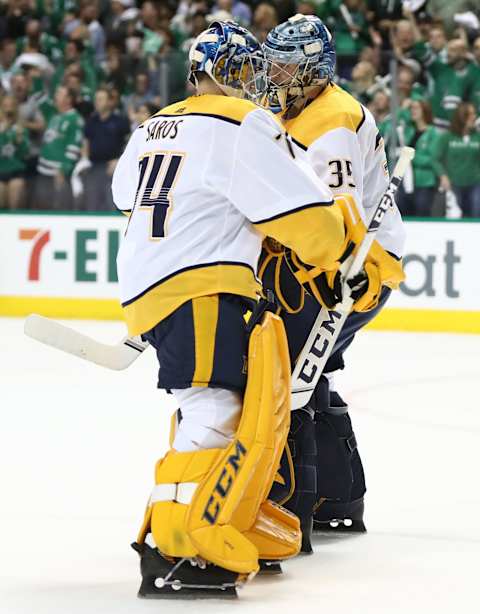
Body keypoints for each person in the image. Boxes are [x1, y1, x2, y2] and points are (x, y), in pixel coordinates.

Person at [112, 20, 370, 598]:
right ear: (230, 71)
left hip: (150, 284)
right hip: (201, 283)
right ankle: (185, 548)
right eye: (249, 69)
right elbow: (300, 212)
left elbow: (123, 195)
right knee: (215, 414)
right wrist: (339, 244)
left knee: (212, 407)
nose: (258, 82)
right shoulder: (239, 122)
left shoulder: (153, 124)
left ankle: (196, 526)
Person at [261, 13, 406, 549]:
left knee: (291, 377)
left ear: (311, 71)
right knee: (306, 371)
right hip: (335, 265)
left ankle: (290, 510)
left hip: (355, 271)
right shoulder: (298, 109)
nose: (271, 73)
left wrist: (331, 277)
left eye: (282, 65)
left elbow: (337, 219)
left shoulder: (334, 121)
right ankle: (338, 498)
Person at [34, 86, 84, 210]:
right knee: (41, 209)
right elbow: (38, 97)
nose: (55, 96)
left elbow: (74, 148)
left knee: (58, 210)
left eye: (59, 94)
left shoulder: (75, 119)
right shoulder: (54, 115)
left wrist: (63, 169)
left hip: (58, 174)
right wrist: (36, 79)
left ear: (68, 99)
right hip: (43, 171)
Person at [433, 102, 480, 218]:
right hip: (454, 184)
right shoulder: (447, 137)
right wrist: (443, 175)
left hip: (475, 183)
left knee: (476, 212)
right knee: (456, 216)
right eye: (471, 114)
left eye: (474, 114)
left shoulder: (477, 136)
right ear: (462, 117)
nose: (474, 117)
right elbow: (435, 158)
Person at [0, 94, 30, 209]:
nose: (9, 109)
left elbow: (24, 154)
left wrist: (19, 142)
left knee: (15, 199)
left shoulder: (20, 128)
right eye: (5, 106)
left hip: (16, 171)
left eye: (11, 106)